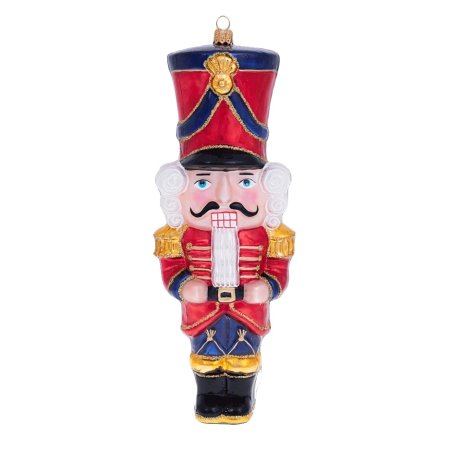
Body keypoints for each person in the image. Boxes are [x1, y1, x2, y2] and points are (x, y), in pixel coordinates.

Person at [154, 41, 294, 424]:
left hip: (248, 311)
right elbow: (172, 268)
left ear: (268, 188)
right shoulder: (178, 236)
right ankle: (208, 394)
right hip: (203, 312)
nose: (224, 197)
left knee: (244, 354)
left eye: (244, 181)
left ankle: (242, 396)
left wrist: (268, 286)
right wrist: (184, 285)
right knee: (206, 353)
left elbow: (277, 269)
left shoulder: (271, 235)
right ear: (178, 189)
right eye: (203, 183)